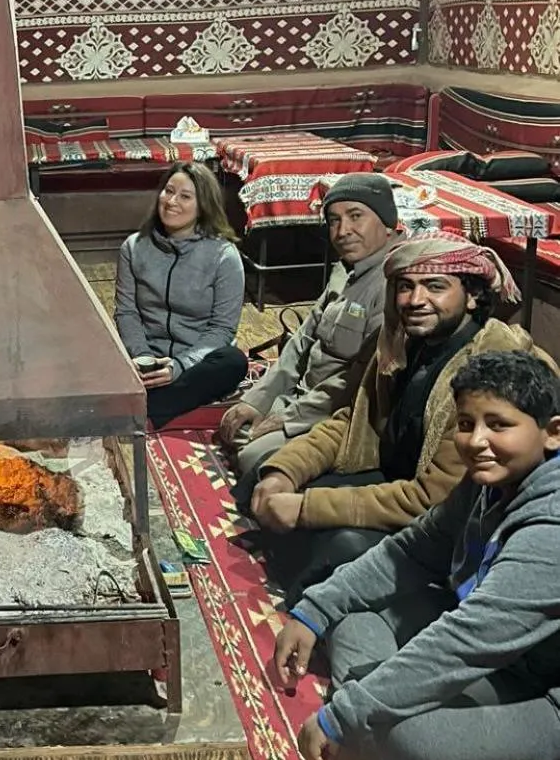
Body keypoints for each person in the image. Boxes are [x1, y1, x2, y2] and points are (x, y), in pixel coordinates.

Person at [273, 351, 560, 760]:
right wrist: (313, 611)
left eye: (499, 425)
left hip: (545, 693)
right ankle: (375, 744)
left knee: (410, 739)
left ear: (552, 433)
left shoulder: (552, 526)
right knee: (356, 617)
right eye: (466, 424)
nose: (477, 441)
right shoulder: (488, 482)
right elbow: (409, 550)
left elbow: (470, 640)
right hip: (499, 657)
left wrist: (342, 718)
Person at [246, 234, 548, 603]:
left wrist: (307, 508)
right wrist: (285, 470)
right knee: (264, 475)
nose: (415, 300)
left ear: (472, 296)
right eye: (405, 287)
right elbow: (355, 421)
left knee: (341, 545)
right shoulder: (403, 344)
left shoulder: (489, 370)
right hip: (394, 478)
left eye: (435, 286)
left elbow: (434, 499)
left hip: (451, 521)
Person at [219, 173, 400, 481]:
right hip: (301, 398)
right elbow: (301, 342)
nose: (343, 231)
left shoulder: (393, 286)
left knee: (253, 458)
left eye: (356, 217)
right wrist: (259, 399)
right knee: (235, 424)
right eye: (333, 221)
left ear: (386, 223)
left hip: (337, 416)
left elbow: (355, 384)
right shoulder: (345, 270)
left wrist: (287, 420)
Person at [114, 163, 248, 427]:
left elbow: (222, 330)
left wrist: (179, 367)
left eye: (185, 196)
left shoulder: (224, 256)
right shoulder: (134, 247)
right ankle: (152, 397)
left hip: (194, 364)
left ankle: (146, 409)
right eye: (168, 191)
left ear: (203, 206)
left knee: (234, 362)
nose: (172, 201)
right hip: (144, 357)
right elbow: (126, 312)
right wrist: (142, 358)